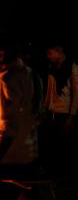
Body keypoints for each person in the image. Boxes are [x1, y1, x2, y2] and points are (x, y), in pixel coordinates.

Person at [0, 35, 38, 200]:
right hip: (27, 153)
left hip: (9, 158)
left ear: (1, 54)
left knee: (1, 195)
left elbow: (8, 127)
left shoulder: (7, 81)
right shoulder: (30, 73)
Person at [40, 42, 78, 176]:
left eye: (50, 53)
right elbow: (49, 91)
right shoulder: (52, 67)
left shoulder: (72, 67)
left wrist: (72, 117)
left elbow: (76, 94)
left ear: (59, 51)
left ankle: (63, 174)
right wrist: (45, 108)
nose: (48, 56)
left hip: (64, 112)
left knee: (63, 145)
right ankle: (53, 171)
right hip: (52, 111)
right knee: (52, 143)